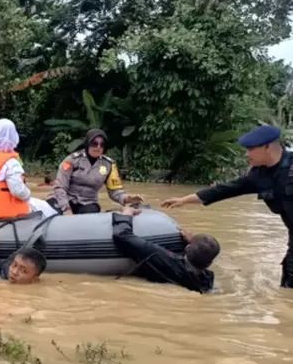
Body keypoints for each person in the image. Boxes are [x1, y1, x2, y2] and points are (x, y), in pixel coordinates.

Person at [160, 125, 293, 288]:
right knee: (288, 285)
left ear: (267, 147)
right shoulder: (257, 175)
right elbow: (224, 190)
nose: (247, 154)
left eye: (251, 149)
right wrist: (183, 200)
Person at [0, 118, 58, 219]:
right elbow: (18, 191)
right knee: (46, 209)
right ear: (14, 135)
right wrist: (27, 196)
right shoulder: (10, 163)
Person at [112, 206, 219, 293]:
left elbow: (122, 236)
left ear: (187, 248)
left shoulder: (158, 255)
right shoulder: (207, 281)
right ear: (209, 263)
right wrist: (192, 243)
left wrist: (127, 214)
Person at [48, 129, 144, 215]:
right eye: (94, 143)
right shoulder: (71, 160)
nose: (98, 147)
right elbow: (60, 187)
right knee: (54, 211)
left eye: (102, 144)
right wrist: (66, 209)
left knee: (92, 211)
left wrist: (128, 198)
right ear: (87, 144)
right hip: (63, 200)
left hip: (87, 203)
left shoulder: (109, 165)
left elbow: (114, 192)